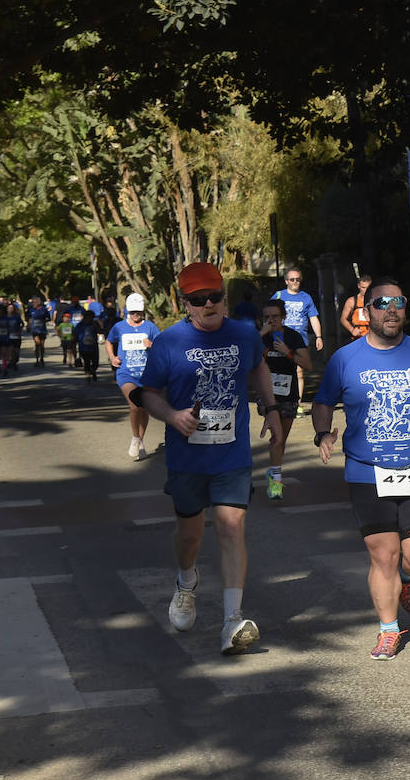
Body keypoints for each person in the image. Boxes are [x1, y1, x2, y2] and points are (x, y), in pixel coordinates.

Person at [312, 278, 410, 660]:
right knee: (384, 556)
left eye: (399, 301)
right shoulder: (345, 359)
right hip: (367, 471)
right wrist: (322, 432)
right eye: (382, 302)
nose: (391, 308)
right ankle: (388, 629)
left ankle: (409, 579)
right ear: (366, 311)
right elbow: (324, 400)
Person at [138, 261, 281, 655]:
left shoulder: (243, 335)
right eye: (198, 300)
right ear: (185, 303)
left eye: (215, 297)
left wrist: (270, 408)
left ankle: (232, 620)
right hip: (186, 458)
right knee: (190, 535)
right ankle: (186, 582)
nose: (208, 305)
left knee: (231, 527)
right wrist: (172, 415)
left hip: (231, 455)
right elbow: (148, 392)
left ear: (224, 298)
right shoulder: (169, 342)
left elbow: (258, 367)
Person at [257, 299, 313, 500]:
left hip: (288, 394)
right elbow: (244, 359)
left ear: (283, 317)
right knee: (277, 437)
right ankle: (276, 483)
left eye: (275, 317)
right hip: (267, 395)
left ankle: (274, 470)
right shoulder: (258, 338)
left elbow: (308, 365)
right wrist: (260, 338)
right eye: (266, 317)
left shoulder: (292, 336)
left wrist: (288, 353)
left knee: (282, 440)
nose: (271, 320)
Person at [106, 293, 163, 461]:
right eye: (132, 312)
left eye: (138, 312)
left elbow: (162, 346)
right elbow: (109, 341)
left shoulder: (151, 327)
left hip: (146, 375)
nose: (136, 315)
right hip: (126, 373)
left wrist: (152, 345)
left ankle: (139, 440)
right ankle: (135, 436)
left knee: (143, 408)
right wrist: (112, 357)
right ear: (127, 311)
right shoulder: (119, 327)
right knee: (135, 405)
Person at [271, 267, 323, 407]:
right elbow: (268, 316)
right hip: (280, 339)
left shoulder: (306, 297)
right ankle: (277, 400)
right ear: (286, 281)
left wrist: (319, 336)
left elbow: (313, 318)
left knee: (299, 371)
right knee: (279, 369)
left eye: (298, 279)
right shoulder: (278, 296)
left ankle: (296, 404)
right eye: (292, 279)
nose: (295, 282)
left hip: (300, 340)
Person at [340, 273, 372, 340]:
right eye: (363, 287)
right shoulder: (352, 301)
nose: (365, 290)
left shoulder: (374, 300)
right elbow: (343, 319)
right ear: (359, 286)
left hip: (373, 336)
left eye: (368, 287)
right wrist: (352, 330)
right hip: (358, 337)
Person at [75, 309, 103, 382]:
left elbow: (100, 331)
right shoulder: (80, 324)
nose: (89, 319)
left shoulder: (94, 324)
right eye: (88, 317)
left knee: (95, 363)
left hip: (93, 347)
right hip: (83, 347)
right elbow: (75, 333)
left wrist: (97, 324)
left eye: (91, 317)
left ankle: (93, 370)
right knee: (86, 362)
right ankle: (87, 374)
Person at [27, 297, 52, 367]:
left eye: (34, 302)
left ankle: (42, 358)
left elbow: (49, 318)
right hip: (34, 330)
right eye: (32, 302)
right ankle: (37, 360)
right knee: (37, 344)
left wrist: (43, 321)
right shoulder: (31, 310)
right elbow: (29, 318)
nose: (33, 304)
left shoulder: (44, 310)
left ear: (38, 303)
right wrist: (29, 325)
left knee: (42, 345)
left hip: (42, 329)